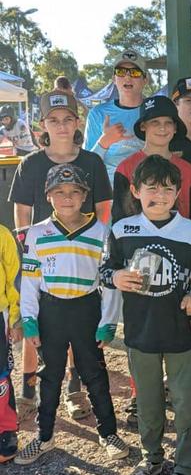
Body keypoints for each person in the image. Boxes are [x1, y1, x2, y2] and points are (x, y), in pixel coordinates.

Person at [101, 155, 191, 475]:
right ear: (136, 191)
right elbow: (104, 271)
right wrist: (116, 277)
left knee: (186, 405)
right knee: (149, 405)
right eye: (152, 188)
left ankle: (185, 464)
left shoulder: (190, 231)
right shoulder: (123, 229)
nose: (160, 195)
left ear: (178, 192)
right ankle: (151, 457)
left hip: (180, 330)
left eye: (168, 189)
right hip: (140, 332)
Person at [9, 90, 112, 423]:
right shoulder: (30, 163)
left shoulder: (92, 162)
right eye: (54, 120)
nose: (62, 125)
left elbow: (102, 209)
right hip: (41, 254)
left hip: (81, 252)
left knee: (76, 324)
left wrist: (99, 249)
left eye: (68, 119)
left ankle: (74, 389)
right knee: (34, 319)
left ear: (77, 122)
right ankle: (28, 393)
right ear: (43, 125)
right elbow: (22, 211)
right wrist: (27, 251)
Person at [15, 164, 128, 465]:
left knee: (94, 373)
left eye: (74, 192)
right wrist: (29, 318)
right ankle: (44, 436)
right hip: (51, 310)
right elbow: (30, 280)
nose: (67, 198)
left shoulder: (102, 232)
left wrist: (108, 322)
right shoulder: (37, 233)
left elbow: (109, 282)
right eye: (60, 192)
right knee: (49, 376)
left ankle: (109, 433)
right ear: (49, 196)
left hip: (86, 308)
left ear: (85, 196)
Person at [112, 95, 191, 225]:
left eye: (168, 123)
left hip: (179, 241)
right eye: (155, 122)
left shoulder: (188, 170)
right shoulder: (125, 168)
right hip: (136, 242)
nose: (162, 128)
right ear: (143, 126)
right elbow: (119, 217)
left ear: (175, 128)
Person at [84, 49, 148, 185]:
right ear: (114, 78)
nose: (127, 77)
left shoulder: (153, 111)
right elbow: (87, 166)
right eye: (121, 72)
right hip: (109, 195)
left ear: (145, 80)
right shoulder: (98, 113)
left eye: (135, 73)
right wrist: (105, 141)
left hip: (147, 191)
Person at [0, 225, 20, 463]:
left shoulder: (3, 235)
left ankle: (6, 430)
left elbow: (14, 279)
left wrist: (15, 318)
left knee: (1, 374)